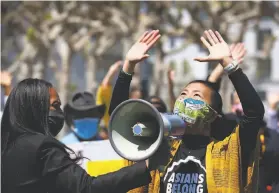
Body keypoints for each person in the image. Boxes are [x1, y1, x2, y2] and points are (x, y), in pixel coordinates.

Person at [109, 30, 264, 193]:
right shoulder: (159, 150)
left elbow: (254, 113)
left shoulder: (229, 151)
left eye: (197, 96)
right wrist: (128, 67)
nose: (186, 100)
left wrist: (228, 63)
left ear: (213, 114)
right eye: (183, 94)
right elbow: (119, 119)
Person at [1, 78, 152, 193]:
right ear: (35, 108)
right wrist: (145, 167)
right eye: (55, 105)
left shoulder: (7, 147)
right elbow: (86, 187)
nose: (59, 112)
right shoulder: (42, 147)